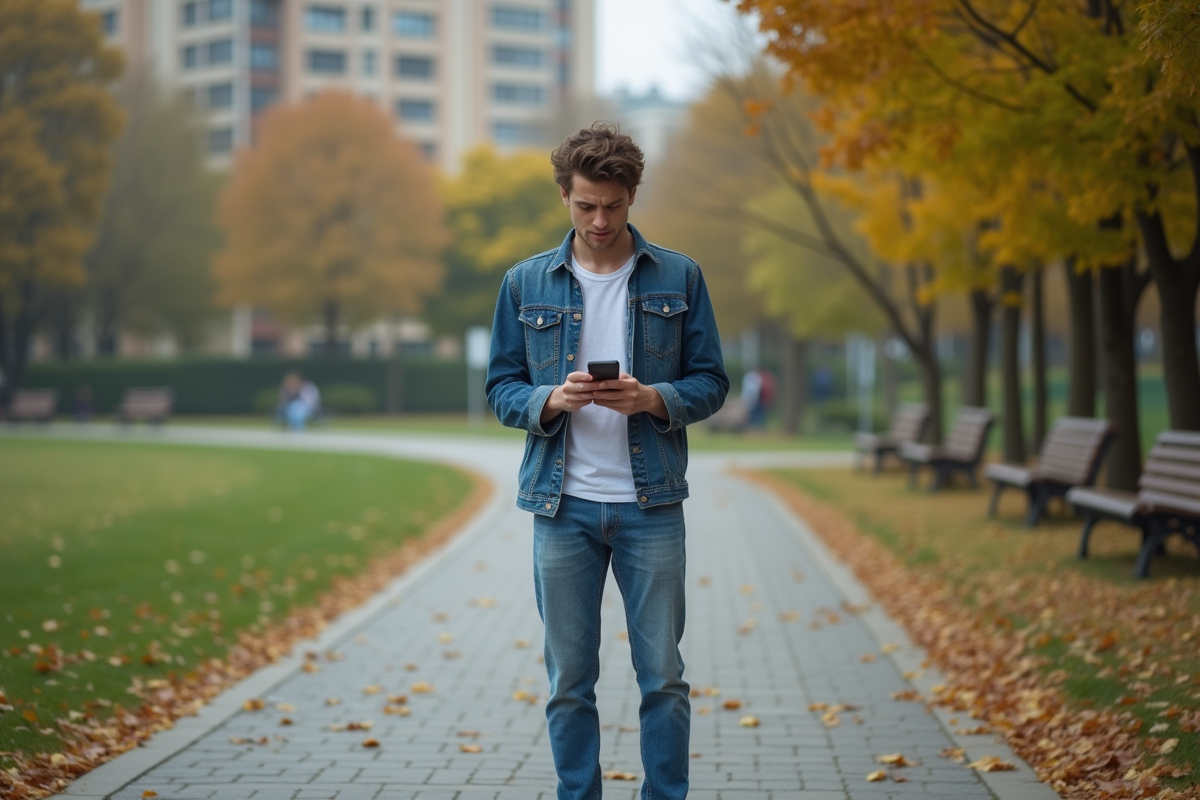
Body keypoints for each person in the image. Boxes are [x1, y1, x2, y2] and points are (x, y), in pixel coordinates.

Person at [486, 123, 729, 800]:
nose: (600, 221)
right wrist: (550, 400)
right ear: (564, 195)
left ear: (632, 197)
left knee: (664, 679)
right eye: (586, 205)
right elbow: (500, 388)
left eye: (614, 206)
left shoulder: (679, 276)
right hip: (561, 508)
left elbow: (712, 381)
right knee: (569, 683)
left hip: (651, 506)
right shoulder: (524, 282)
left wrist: (653, 398)